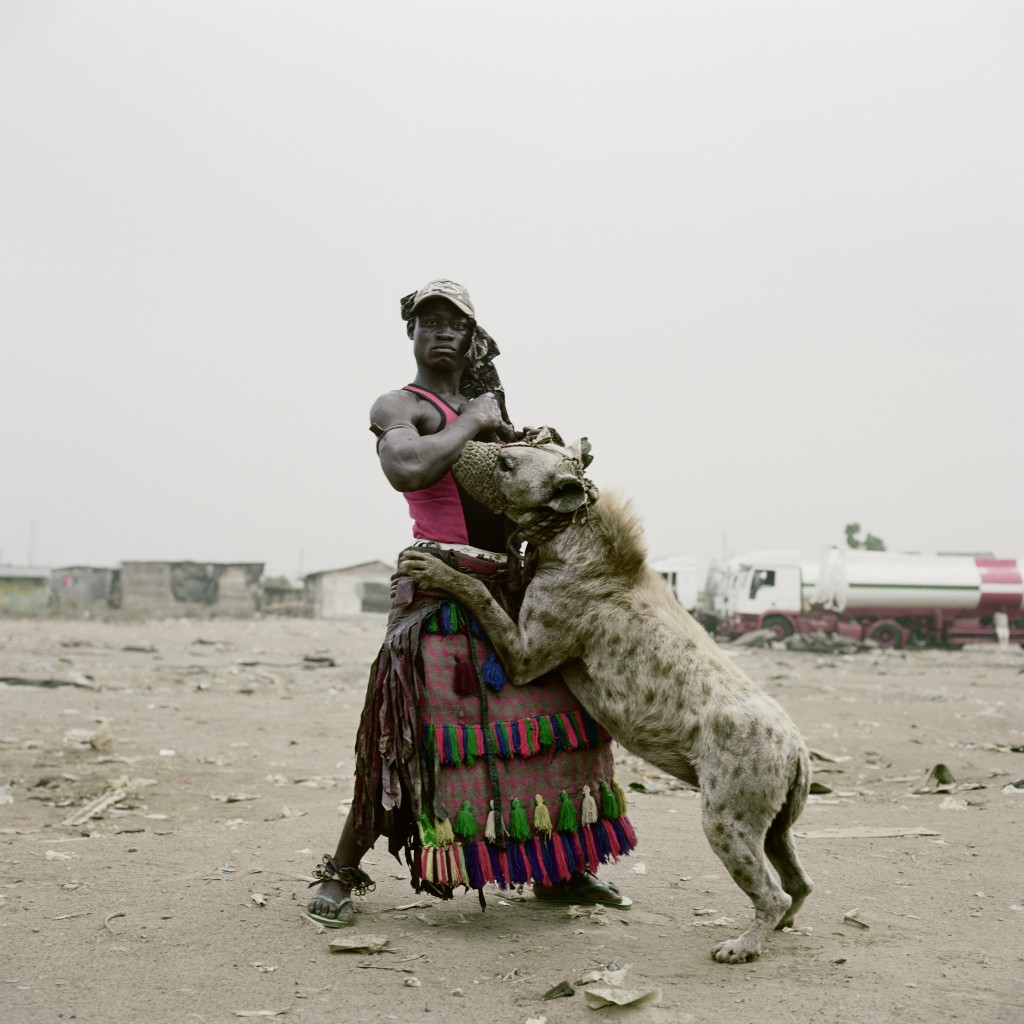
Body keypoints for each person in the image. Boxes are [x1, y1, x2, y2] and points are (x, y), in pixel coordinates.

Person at [306, 279, 636, 927]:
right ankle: (342, 872)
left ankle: (561, 871)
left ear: (474, 335)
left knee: (561, 725)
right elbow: (405, 468)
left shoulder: (491, 410)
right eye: (429, 321)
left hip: (512, 594)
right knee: (406, 742)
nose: (443, 331)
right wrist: (476, 423)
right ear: (412, 334)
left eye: (455, 322)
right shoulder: (403, 404)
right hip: (437, 595)